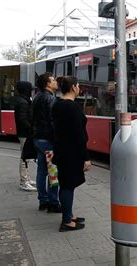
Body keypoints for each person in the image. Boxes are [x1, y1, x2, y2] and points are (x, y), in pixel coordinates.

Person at [52, 76, 90, 232]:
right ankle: (67, 221)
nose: (79, 88)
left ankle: (69, 214)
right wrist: (86, 158)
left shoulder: (58, 104)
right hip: (71, 153)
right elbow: (78, 135)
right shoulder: (71, 107)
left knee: (66, 184)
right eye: (78, 85)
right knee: (68, 185)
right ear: (74, 87)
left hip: (62, 150)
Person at [32, 72, 61, 213]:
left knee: (41, 171)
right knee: (53, 171)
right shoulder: (50, 99)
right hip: (48, 140)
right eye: (53, 80)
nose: (56, 82)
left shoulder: (36, 97)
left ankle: (42, 200)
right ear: (48, 84)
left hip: (38, 138)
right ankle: (53, 202)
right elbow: (52, 120)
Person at [14, 81, 37, 192]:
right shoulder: (23, 102)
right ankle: (24, 181)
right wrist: (31, 129)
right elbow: (23, 119)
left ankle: (27, 178)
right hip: (25, 133)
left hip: (24, 133)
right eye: (30, 90)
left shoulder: (23, 100)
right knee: (24, 157)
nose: (31, 92)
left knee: (26, 156)